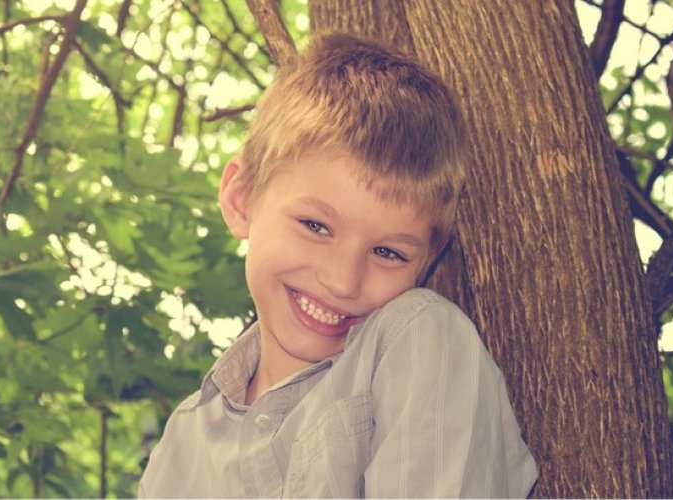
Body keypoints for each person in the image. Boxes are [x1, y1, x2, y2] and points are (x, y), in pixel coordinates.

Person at [138, 32, 538, 498]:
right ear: (241, 199)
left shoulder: (422, 345)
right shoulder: (182, 446)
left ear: (428, 260)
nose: (343, 280)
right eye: (315, 225)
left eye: (388, 253)